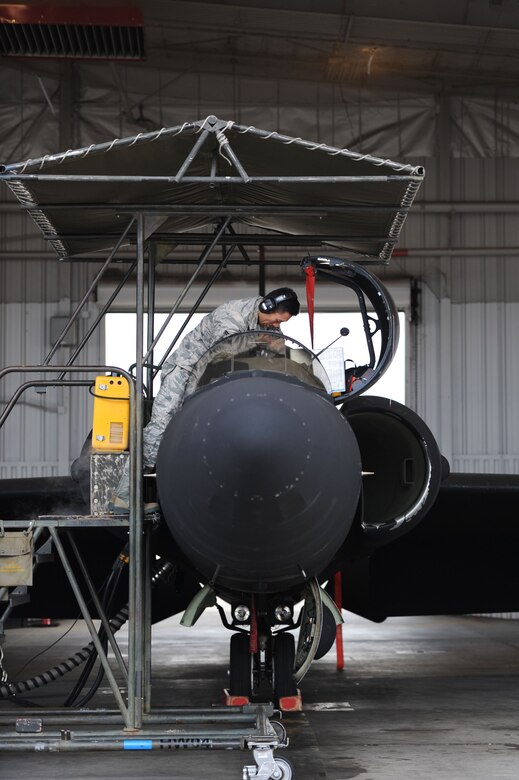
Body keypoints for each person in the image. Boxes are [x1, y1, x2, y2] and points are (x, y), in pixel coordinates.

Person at [109, 288, 300, 512]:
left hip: (206, 376)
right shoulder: (232, 315)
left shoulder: (263, 323)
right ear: (267, 306)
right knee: (159, 429)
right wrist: (261, 341)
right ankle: (123, 496)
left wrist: (277, 348)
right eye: (276, 319)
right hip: (185, 371)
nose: (276, 325)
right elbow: (224, 351)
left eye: (280, 324)